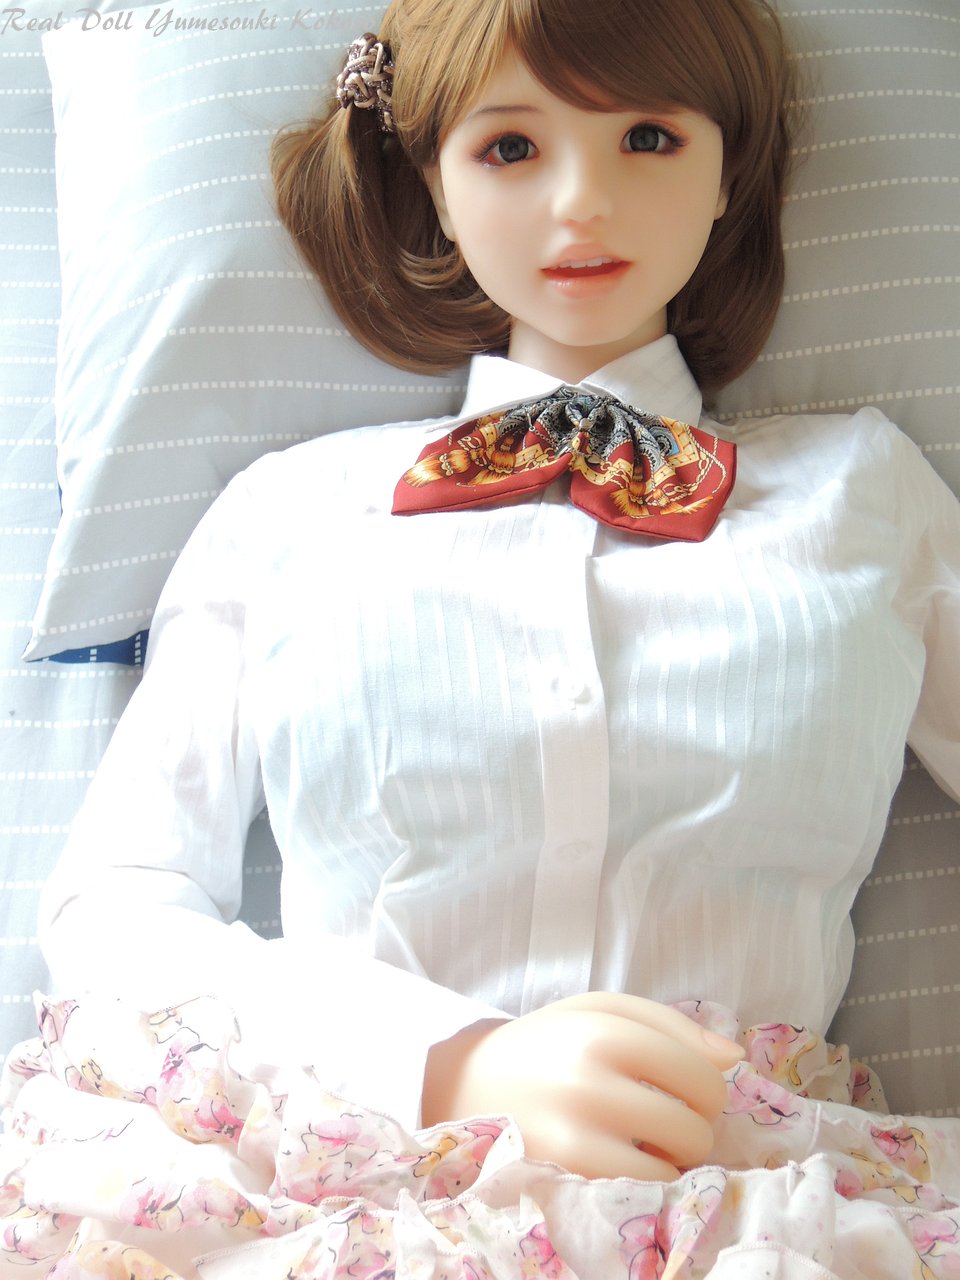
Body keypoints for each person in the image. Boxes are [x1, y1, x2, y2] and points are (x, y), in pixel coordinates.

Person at [36, 0, 959, 1197]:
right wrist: (443, 1059)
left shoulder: (865, 493)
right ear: (434, 176)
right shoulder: (288, 513)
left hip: (763, 1203)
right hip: (360, 1182)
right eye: (511, 146)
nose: (582, 202)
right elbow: (110, 907)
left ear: (730, 168)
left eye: (649, 137)